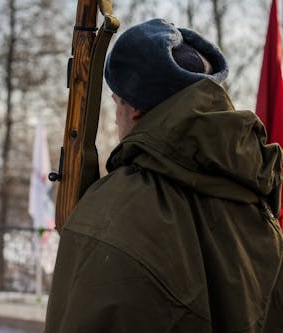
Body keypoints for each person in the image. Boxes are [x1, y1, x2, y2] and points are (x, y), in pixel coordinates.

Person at [44, 18, 283, 332]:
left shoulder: (114, 213)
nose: (116, 119)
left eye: (117, 102)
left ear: (138, 110)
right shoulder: (256, 201)